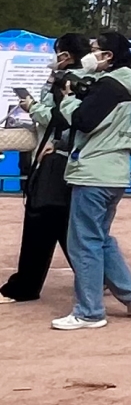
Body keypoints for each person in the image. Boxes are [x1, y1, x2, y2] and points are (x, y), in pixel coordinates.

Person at [51, 32, 131, 330]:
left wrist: (68, 98)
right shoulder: (126, 84)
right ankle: (130, 294)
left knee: (84, 242)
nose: (89, 54)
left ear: (108, 56)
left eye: (94, 49)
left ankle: (89, 312)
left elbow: (83, 121)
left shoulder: (110, 86)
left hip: (94, 171)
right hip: (114, 172)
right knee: (100, 238)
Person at [1, 34, 92, 304]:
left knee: (41, 217)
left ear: (67, 54)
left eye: (58, 52)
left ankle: (25, 285)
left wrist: (32, 107)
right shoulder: (83, 79)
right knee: (64, 222)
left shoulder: (68, 81)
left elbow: (59, 117)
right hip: (69, 158)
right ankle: (98, 276)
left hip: (56, 157)